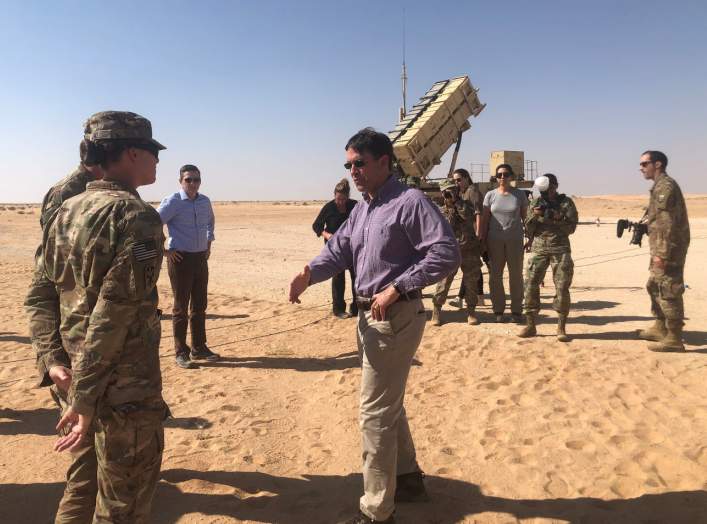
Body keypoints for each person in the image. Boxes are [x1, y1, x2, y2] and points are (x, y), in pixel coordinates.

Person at [289, 128, 459, 524]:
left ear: (385, 161)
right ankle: (409, 479)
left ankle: (377, 511)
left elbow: (446, 252)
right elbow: (339, 250)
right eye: (348, 165)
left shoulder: (409, 201)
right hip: (368, 316)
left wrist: (398, 288)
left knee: (374, 413)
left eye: (360, 163)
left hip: (394, 316)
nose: (353, 171)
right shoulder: (363, 209)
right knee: (387, 405)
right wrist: (308, 273)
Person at [28, 110, 169, 523]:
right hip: (120, 390)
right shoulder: (137, 217)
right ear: (129, 153)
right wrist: (87, 398)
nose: (156, 160)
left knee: (82, 483)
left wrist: (53, 360)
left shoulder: (67, 210)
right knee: (123, 505)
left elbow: (39, 295)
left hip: (72, 379)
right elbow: (113, 314)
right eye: (151, 151)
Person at [24, 125, 105, 522]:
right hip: (74, 346)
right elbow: (50, 280)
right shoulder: (69, 194)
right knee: (85, 457)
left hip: (94, 342)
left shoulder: (110, 189)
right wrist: (52, 356)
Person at [158, 164, 219, 369]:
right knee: (180, 308)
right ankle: (181, 352)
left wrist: (208, 245)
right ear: (180, 181)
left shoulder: (204, 201)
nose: (193, 183)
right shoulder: (173, 201)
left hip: (200, 258)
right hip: (180, 260)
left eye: (196, 179)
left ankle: (199, 347)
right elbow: (153, 224)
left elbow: (210, 222)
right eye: (188, 180)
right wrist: (164, 251)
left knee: (200, 305)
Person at [636, 150, 690, 352]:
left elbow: (667, 225)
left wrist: (662, 254)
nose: (641, 168)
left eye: (644, 164)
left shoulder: (665, 187)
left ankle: (674, 337)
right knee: (653, 285)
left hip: (668, 249)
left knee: (669, 289)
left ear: (657, 164)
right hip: (660, 246)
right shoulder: (659, 187)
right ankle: (660, 327)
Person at [518, 174, 578, 342]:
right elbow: (528, 229)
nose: (548, 192)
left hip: (560, 248)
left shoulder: (566, 203)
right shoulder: (536, 202)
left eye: (551, 188)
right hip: (539, 248)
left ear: (556, 186)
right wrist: (536, 216)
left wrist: (556, 218)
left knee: (562, 287)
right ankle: (530, 325)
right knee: (530, 284)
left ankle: (561, 326)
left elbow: (571, 228)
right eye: (545, 189)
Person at [479, 164, 528, 322]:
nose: (502, 177)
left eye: (505, 174)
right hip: (494, 241)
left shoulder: (519, 195)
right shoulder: (490, 195)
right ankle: (498, 311)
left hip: (515, 240)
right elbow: (485, 220)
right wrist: (482, 240)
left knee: (516, 276)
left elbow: (525, 219)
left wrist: (530, 237)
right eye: (499, 175)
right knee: (495, 276)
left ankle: (516, 311)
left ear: (511, 176)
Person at [432, 180, 483, 326]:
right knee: (444, 282)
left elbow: (468, 215)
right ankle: (436, 311)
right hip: (450, 251)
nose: (449, 193)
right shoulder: (441, 210)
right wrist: (449, 206)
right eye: (446, 191)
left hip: (469, 249)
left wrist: (456, 202)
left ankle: (471, 312)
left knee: (471, 282)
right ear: (442, 193)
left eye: (452, 190)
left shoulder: (466, 205)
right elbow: (444, 226)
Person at [312, 178, 358, 318]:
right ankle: (338, 309)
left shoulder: (355, 205)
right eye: (338, 199)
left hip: (351, 248)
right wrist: (327, 235)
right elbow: (317, 226)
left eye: (343, 199)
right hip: (334, 249)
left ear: (348, 197)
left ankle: (356, 308)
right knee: (338, 278)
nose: (341, 202)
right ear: (334, 195)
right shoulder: (329, 207)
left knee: (356, 277)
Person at [449, 168, 485, 308]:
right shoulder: (462, 192)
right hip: (466, 236)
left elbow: (478, 213)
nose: (457, 183)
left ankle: (461, 297)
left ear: (466, 178)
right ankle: (479, 296)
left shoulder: (472, 191)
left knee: (472, 267)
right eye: (455, 180)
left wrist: (479, 233)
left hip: (473, 235)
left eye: (459, 179)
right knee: (474, 267)